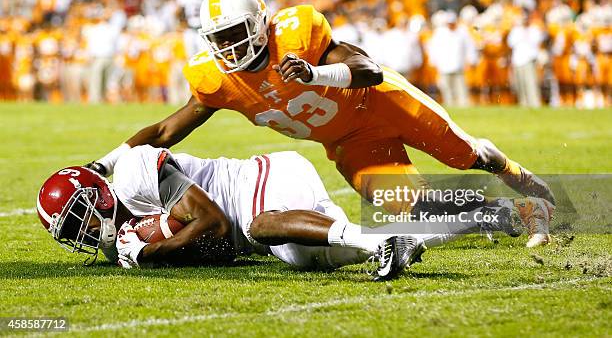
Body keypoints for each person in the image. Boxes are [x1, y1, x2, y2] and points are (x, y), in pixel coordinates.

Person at [89, 0, 555, 247]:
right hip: (350, 142)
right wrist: (105, 163)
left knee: (464, 154)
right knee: (412, 208)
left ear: (259, 23)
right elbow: (167, 129)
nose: (229, 46)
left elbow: (368, 71)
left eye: (236, 32)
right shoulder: (218, 81)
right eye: (220, 38)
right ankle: (510, 212)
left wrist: (314, 74)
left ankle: (525, 181)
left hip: (382, 103)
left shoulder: (297, 34)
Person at [38, 147, 429, 281]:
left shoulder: (133, 173)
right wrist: (159, 250)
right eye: (70, 231)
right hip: (258, 228)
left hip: (258, 180)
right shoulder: (118, 244)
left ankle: (381, 240)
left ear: (98, 195)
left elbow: (216, 225)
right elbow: (220, 252)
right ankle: (459, 218)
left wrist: (152, 253)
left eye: (78, 217)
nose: (82, 231)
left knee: (260, 226)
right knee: (304, 255)